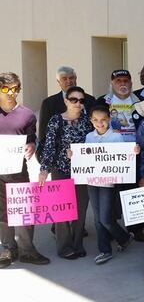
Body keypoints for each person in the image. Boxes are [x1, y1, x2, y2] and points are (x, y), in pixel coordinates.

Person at [71, 105, 135, 264]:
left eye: (103, 120)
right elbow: (85, 158)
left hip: (108, 182)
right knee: (97, 219)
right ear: (91, 121)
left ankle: (122, 238)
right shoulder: (89, 137)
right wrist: (73, 155)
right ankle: (106, 249)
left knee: (105, 219)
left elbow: (123, 158)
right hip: (92, 181)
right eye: (96, 120)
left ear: (109, 120)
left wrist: (134, 151)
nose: (100, 123)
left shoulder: (116, 137)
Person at [0, 73, 50, 268]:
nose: (11, 93)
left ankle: (27, 251)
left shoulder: (27, 114)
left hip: (18, 171)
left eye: (15, 89)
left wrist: (31, 146)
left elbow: (31, 138)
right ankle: (7, 249)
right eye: (6, 89)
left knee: (24, 210)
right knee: (2, 212)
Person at [38, 86, 94, 259]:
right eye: (74, 100)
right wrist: (44, 170)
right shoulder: (56, 120)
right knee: (62, 210)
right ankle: (64, 247)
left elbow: (95, 144)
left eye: (81, 100)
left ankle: (77, 244)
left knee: (80, 208)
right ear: (66, 101)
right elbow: (49, 147)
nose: (78, 103)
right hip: (60, 169)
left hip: (82, 171)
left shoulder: (87, 121)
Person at [38, 66, 96, 157]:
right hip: (59, 158)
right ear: (58, 82)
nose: (69, 81)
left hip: (87, 155)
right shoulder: (49, 103)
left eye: (71, 78)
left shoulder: (90, 100)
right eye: (64, 79)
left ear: (76, 79)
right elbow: (43, 134)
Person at [96, 69, 141, 142]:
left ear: (131, 83)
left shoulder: (139, 101)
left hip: (135, 147)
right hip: (110, 146)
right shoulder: (101, 101)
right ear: (112, 84)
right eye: (118, 81)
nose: (122, 83)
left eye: (126, 81)